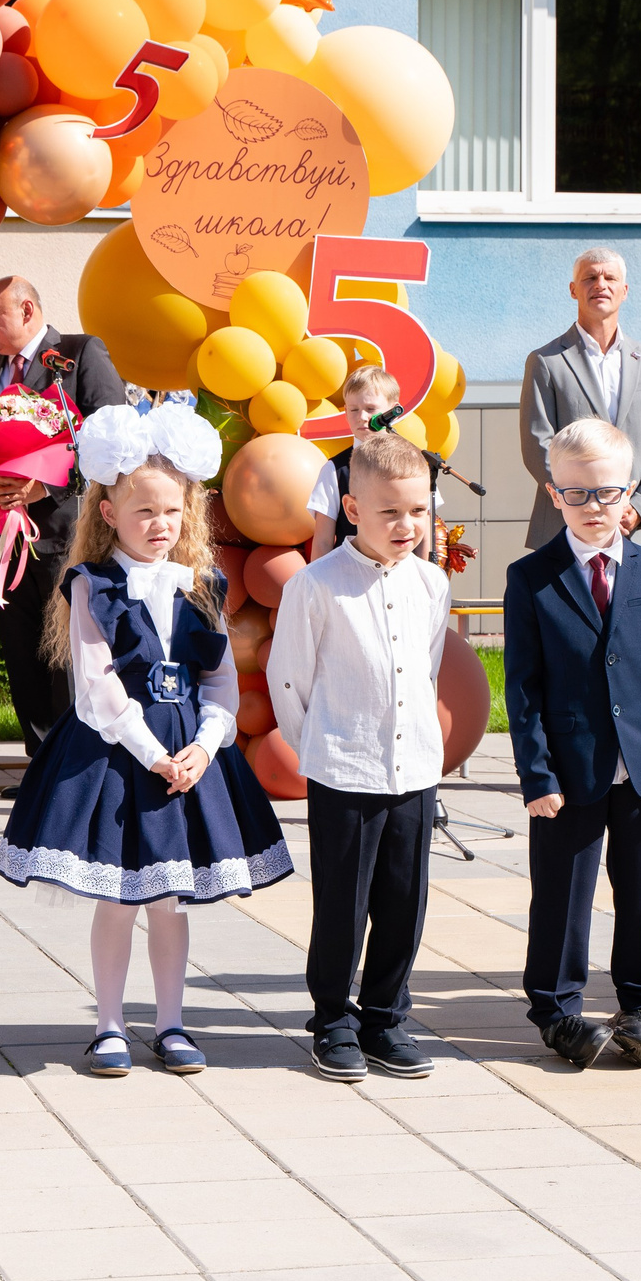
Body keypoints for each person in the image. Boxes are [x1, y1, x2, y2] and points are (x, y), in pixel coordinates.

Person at [0, 403, 294, 1076]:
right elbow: (97, 689)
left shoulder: (202, 587)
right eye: (144, 513)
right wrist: (153, 753)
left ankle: (171, 1022)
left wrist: (208, 744)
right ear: (108, 515)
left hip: (187, 753)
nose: (160, 526)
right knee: (117, 897)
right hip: (117, 755)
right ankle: (107, 1024)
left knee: (168, 897)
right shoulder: (91, 586)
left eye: (171, 512)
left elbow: (218, 681)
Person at [502, 417, 641, 1070]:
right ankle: (557, 1010)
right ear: (554, 493)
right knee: (562, 891)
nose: (593, 507)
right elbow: (522, 690)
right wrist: (537, 777)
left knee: (638, 890)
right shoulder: (531, 578)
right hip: (568, 770)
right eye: (577, 493)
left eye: (607, 493)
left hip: (640, 768)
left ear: (629, 492)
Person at [267, 433, 451, 1084]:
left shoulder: (432, 583)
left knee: (405, 901)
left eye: (418, 511)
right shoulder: (317, 586)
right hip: (343, 768)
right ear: (352, 508)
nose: (407, 526)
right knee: (343, 903)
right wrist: (321, 744)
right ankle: (333, 1022)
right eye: (390, 512)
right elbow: (289, 680)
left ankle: (385, 1018)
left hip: (413, 769)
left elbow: (423, 669)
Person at [0, 274, 130, 755]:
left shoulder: (77, 355)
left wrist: (46, 483)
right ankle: (39, 766)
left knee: (68, 656)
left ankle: (76, 766)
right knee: (22, 652)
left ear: (28, 310)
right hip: (5, 539)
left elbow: (112, 439)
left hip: (67, 533)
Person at [519, 247, 641, 552]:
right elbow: (537, 443)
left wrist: (638, 506)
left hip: (636, 528)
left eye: (610, 277)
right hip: (565, 526)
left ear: (624, 290)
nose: (600, 284)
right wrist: (580, 502)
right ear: (573, 290)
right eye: (590, 277)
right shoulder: (546, 361)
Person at [307, 364, 445, 563]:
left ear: (392, 410)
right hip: (349, 580)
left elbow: (425, 533)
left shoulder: (415, 464)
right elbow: (322, 541)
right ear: (345, 411)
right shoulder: (334, 470)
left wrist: (425, 579)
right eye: (354, 409)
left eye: (371, 409)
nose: (362, 417)